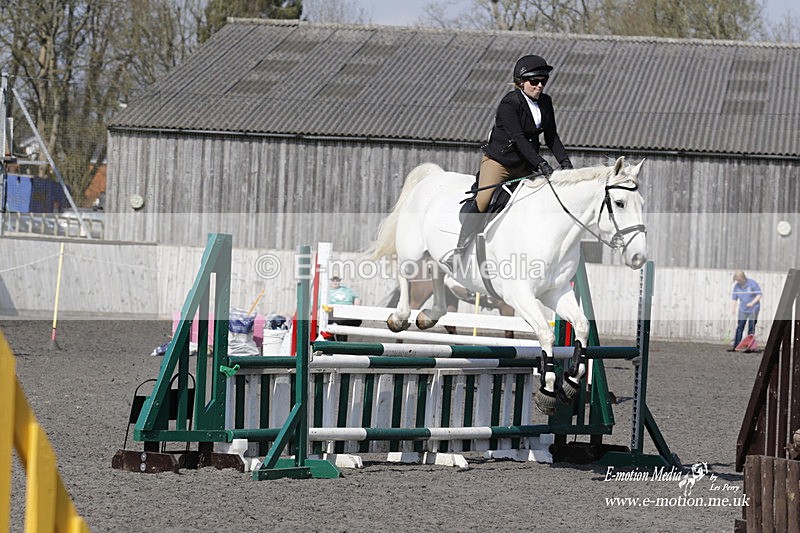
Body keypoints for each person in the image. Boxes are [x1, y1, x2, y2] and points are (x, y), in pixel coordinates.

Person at [442, 54, 573, 271]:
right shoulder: (509, 103)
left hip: (526, 163)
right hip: (500, 163)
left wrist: (565, 163)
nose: (539, 86)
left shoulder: (546, 102)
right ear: (521, 82)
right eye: (534, 81)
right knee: (484, 200)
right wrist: (541, 164)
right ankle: (460, 250)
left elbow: (551, 137)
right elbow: (518, 138)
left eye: (543, 81)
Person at [728, 270, 762, 352]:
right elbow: (734, 299)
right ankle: (736, 346)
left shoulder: (752, 284)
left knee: (751, 327)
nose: (738, 282)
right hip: (743, 309)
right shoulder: (737, 286)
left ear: (743, 278)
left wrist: (752, 303)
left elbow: (759, 295)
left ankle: (750, 347)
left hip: (753, 309)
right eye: (737, 280)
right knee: (740, 327)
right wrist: (733, 309)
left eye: (739, 280)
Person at [327, 276, 361, 341]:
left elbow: (357, 298)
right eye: (333, 280)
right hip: (334, 314)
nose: (335, 282)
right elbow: (320, 306)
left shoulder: (347, 290)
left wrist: (356, 308)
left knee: (338, 324)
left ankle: (336, 346)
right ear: (330, 281)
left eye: (337, 280)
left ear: (340, 281)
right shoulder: (326, 292)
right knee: (338, 325)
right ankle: (338, 347)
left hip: (347, 313)